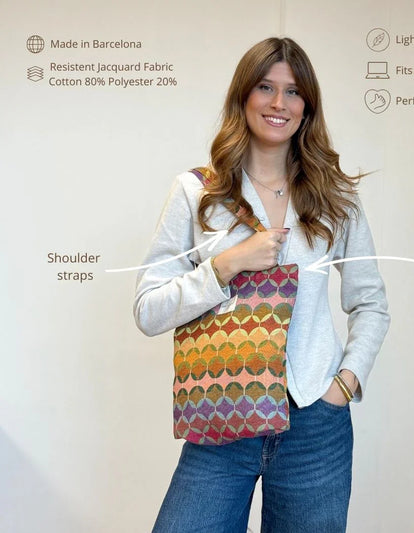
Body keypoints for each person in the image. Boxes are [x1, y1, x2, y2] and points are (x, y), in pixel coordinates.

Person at [134, 37, 390, 533]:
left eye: (293, 92)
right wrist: (224, 266)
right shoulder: (197, 191)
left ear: (307, 107)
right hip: (222, 417)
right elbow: (148, 309)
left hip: (315, 423)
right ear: (243, 95)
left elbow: (370, 302)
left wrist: (345, 383)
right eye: (266, 87)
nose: (279, 103)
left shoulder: (335, 197)